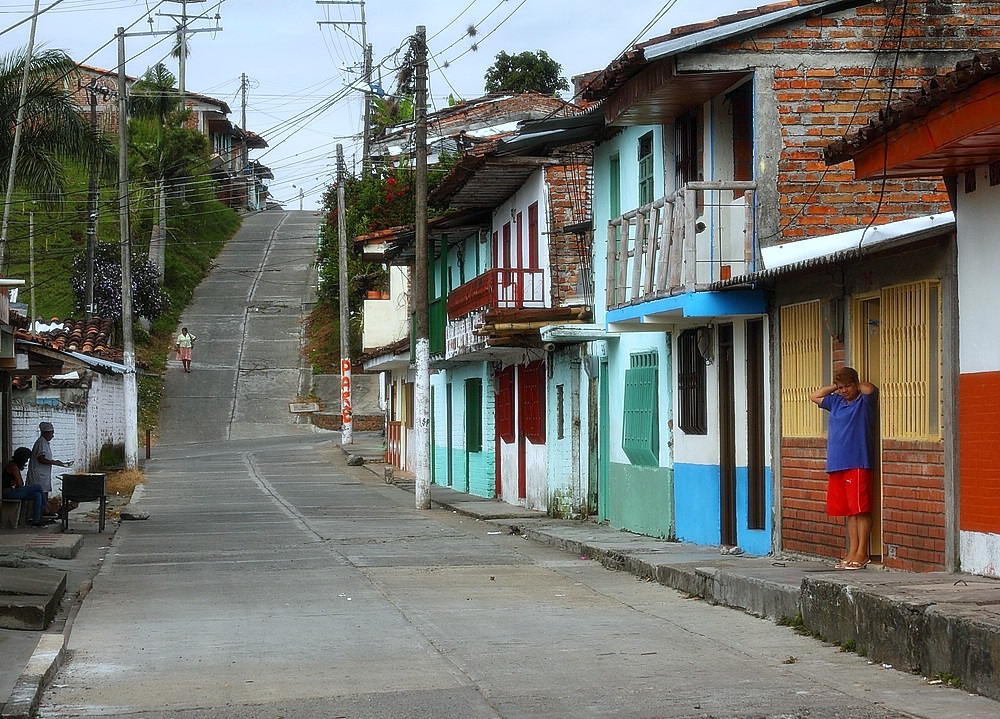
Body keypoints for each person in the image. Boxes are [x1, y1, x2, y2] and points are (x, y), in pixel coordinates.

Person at [810, 367, 878, 570]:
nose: (844, 390)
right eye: (841, 387)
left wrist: (855, 383)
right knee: (849, 511)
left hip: (857, 461)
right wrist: (836, 387)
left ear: (855, 383)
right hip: (837, 463)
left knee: (860, 509)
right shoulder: (836, 402)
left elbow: (868, 389)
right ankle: (851, 551)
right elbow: (814, 396)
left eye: (847, 386)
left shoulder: (863, 402)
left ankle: (862, 552)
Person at [26, 421, 71, 508]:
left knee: (44, 494)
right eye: (51, 433)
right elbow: (41, 459)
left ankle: (43, 512)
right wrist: (54, 462)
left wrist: (55, 461)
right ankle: (40, 514)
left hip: (43, 475)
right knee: (40, 495)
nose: (53, 436)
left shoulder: (45, 443)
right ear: (45, 433)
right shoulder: (41, 443)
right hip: (38, 476)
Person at [3, 447, 49, 527]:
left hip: (12, 490)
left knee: (37, 495)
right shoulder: (14, 466)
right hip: (8, 492)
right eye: (26, 459)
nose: (26, 461)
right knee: (37, 486)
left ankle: (36, 520)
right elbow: (20, 484)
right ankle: (45, 508)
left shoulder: (14, 465)